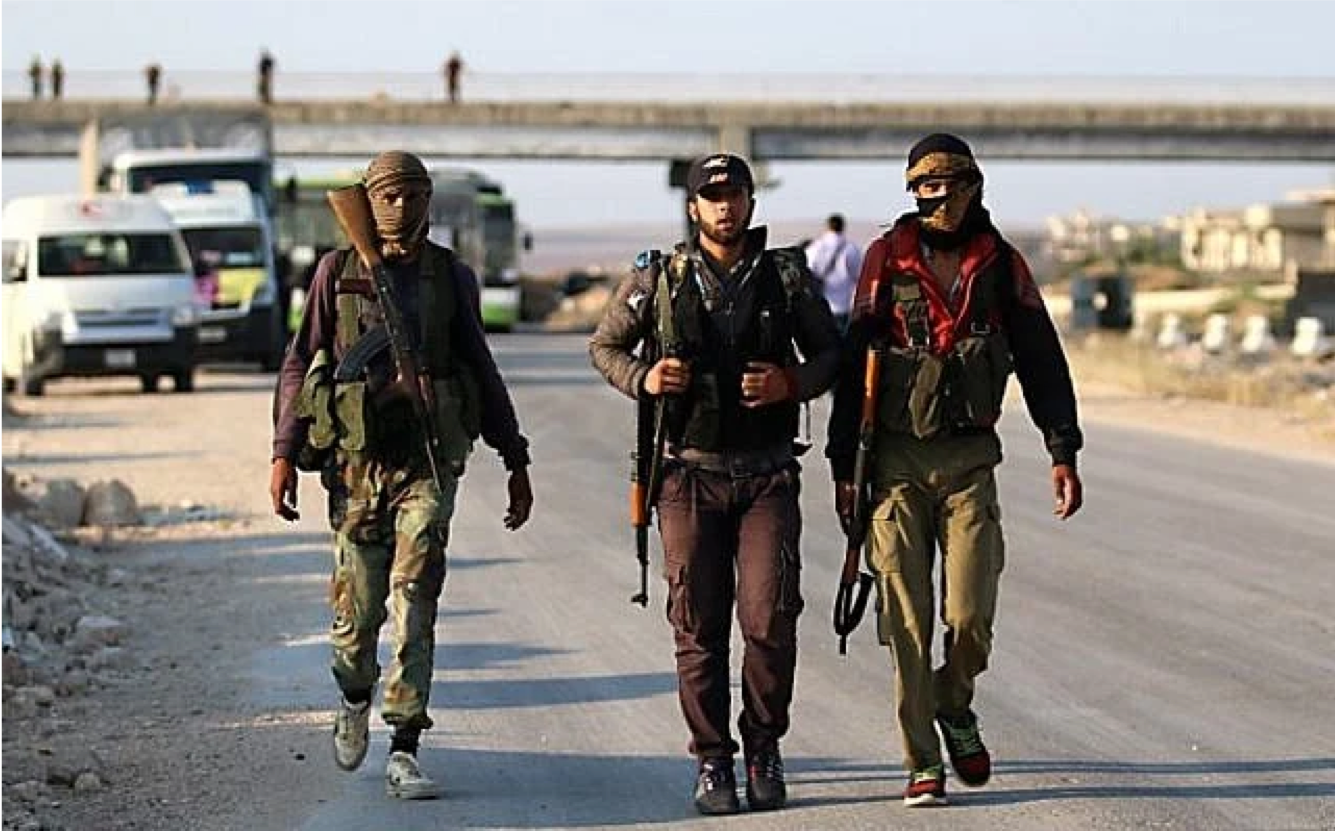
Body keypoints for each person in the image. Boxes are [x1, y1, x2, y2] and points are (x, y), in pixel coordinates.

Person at [827, 132, 1084, 807]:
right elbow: (855, 362)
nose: (933, 197)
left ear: (972, 185)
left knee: (969, 615)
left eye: (945, 183)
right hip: (893, 463)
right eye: (921, 186)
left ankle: (953, 701)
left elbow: (1039, 359)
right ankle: (921, 759)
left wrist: (1062, 449)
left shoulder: (1001, 265)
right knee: (904, 619)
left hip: (970, 461)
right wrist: (840, 464)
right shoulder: (887, 259)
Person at [270, 150, 534, 800]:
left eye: (412, 194)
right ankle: (354, 694)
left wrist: (514, 455)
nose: (399, 207)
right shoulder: (337, 271)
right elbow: (301, 361)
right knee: (356, 619)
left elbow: (481, 361)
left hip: (427, 460)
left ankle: (405, 741)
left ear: (428, 200)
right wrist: (283, 452)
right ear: (367, 198)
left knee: (414, 599)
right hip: (356, 466)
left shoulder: (449, 276)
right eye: (386, 195)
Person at [590, 152, 841, 816]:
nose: (724, 206)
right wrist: (644, 379)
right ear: (694, 207)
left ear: (752, 204)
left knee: (768, 620)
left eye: (735, 194)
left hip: (765, 476)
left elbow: (831, 355)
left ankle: (762, 745)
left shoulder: (786, 277)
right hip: (686, 475)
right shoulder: (660, 276)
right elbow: (605, 347)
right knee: (697, 627)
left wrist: (791, 382)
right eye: (712, 195)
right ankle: (711, 758)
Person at [804, 213, 862, 332]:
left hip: (818, 307)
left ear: (827, 227)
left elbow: (806, 273)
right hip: (842, 306)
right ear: (842, 227)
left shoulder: (814, 248)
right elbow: (858, 276)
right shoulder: (851, 249)